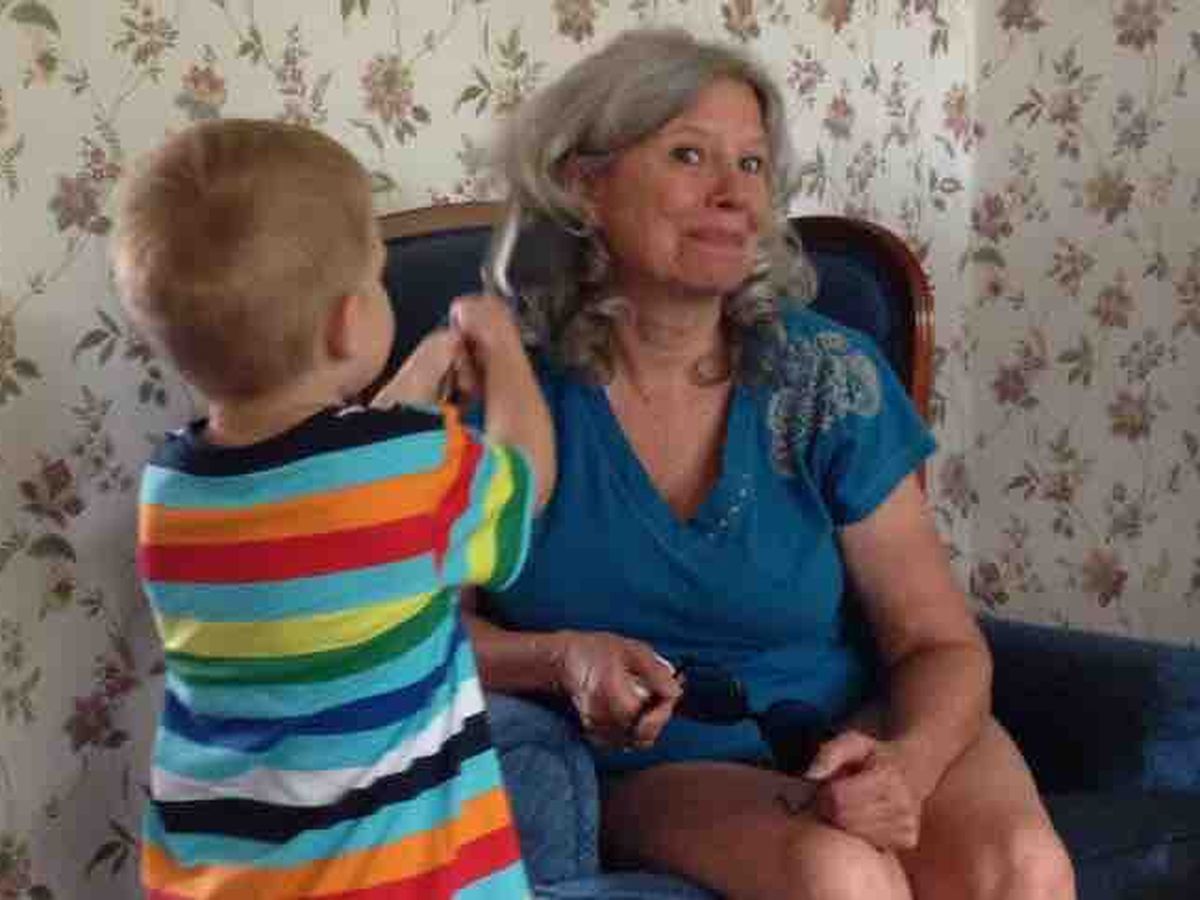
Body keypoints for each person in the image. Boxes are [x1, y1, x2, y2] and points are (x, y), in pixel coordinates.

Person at [464, 27, 1076, 900]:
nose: (731, 193)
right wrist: (558, 658)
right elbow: (409, 633)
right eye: (689, 155)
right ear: (584, 183)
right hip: (662, 771)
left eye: (751, 164)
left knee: (1023, 869)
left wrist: (907, 764)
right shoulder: (500, 385)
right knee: (842, 876)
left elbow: (937, 641)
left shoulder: (828, 378)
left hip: (863, 725)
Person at [111, 118, 554, 899]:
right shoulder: (409, 468)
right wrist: (503, 349)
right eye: (378, 275)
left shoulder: (172, 492)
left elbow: (333, 481)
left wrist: (425, 370)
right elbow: (524, 484)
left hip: (233, 878)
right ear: (348, 321)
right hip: (404, 882)